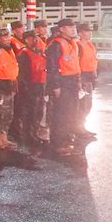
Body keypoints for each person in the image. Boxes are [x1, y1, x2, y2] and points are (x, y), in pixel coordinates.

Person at [45, 19, 82, 156]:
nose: (73, 29)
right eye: (70, 27)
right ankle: (58, 144)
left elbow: (75, 64)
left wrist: (78, 82)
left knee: (71, 113)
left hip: (73, 82)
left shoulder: (73, 43)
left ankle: (67, 140)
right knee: (61, 114)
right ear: (61, 29)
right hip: (62, 82)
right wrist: (56, 86)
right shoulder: (56, 45)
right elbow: (52, 67)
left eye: (74, 27)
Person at [76, 22, 98, 137]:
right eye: (87, 31)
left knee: (88, 104)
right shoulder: (78, 45)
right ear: (80, 33)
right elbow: (76, 63)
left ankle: (82, 127)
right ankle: (78, 129)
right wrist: (78, 80)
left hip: (90, 77)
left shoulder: (90, 45)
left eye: (90, 31)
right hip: (82, 77)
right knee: (83, 104)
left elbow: (93, 60)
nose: (90, 33)